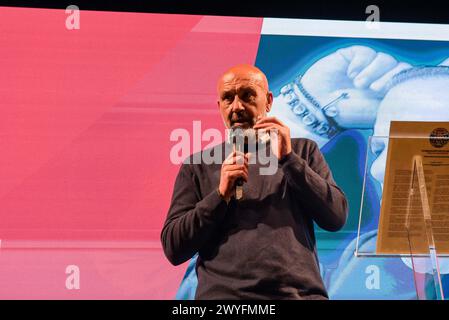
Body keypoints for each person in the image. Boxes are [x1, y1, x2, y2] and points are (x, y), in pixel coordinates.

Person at [161, 64, 348, 299]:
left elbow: (336, 217)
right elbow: (174, 248)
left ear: (268, 101)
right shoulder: (197, 166)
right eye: (228, 99)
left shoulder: (303, 151)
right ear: (220, 108)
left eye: (248, 96)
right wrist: (219, 195)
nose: (237, 107)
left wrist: (290, 160)